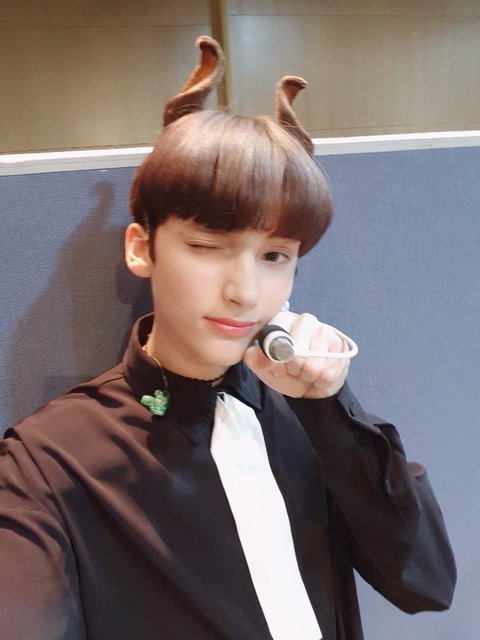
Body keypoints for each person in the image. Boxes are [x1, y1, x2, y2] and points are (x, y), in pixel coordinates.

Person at [0, 36, 455, 640]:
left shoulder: (309, 415)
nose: (245, 292)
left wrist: (334, 413)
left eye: (274, 255)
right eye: (207, 246)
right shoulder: (47, 462)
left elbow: (426, 584)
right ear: (141, 248)